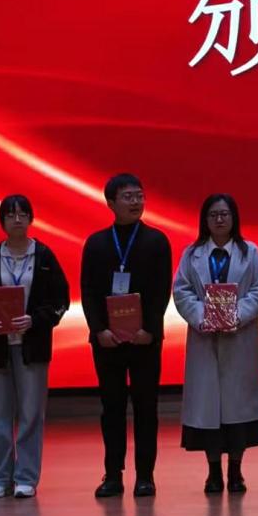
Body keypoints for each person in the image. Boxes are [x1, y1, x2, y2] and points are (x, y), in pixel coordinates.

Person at [0, 194, 70, 499]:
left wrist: (35, 320)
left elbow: (60, 300)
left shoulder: (44, 257)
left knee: (31, 414)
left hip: (32, 347)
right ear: (2, 221)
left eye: (22, 214)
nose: (16, 219)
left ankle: (26, 477)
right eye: (10, 215)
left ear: (30, 219)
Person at [80, 173, 172, 498]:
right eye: (128, 196)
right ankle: (112, 475)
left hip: (145, 340)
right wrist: (98, 330)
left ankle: (145, 476)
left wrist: (151, 329)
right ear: (111, 203)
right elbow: (88, 291)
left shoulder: (157, 241)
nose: (136, 202)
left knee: (146, 407)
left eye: (139, 195)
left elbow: (162, 290)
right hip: (108, 342)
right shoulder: (96, 243)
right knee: (112, 409)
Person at [173, 194, 258, 494]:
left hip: (240, 337)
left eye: (224, 214)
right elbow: (182, 291)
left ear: (234, 218)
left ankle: (236, 471)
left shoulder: (249, 252)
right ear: (205, 220)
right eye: (213, 214)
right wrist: (202, 316)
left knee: (238, 410)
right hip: (205, 338)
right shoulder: (192, 254)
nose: (219, 219)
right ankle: (213, 471)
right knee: (209, 410)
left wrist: (235, 315)